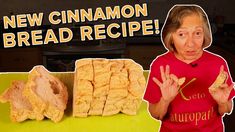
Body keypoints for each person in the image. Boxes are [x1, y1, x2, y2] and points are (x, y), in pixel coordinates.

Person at [143, 4, 235, 132]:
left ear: (205, 34)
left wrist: (223, 103)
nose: (191, 43)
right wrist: (165, 100)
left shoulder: (218, 63)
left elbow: (227, 109)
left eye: (197, 33)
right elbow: (156, 114)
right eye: (182, 34)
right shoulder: (161, 65)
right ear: (171, 36)